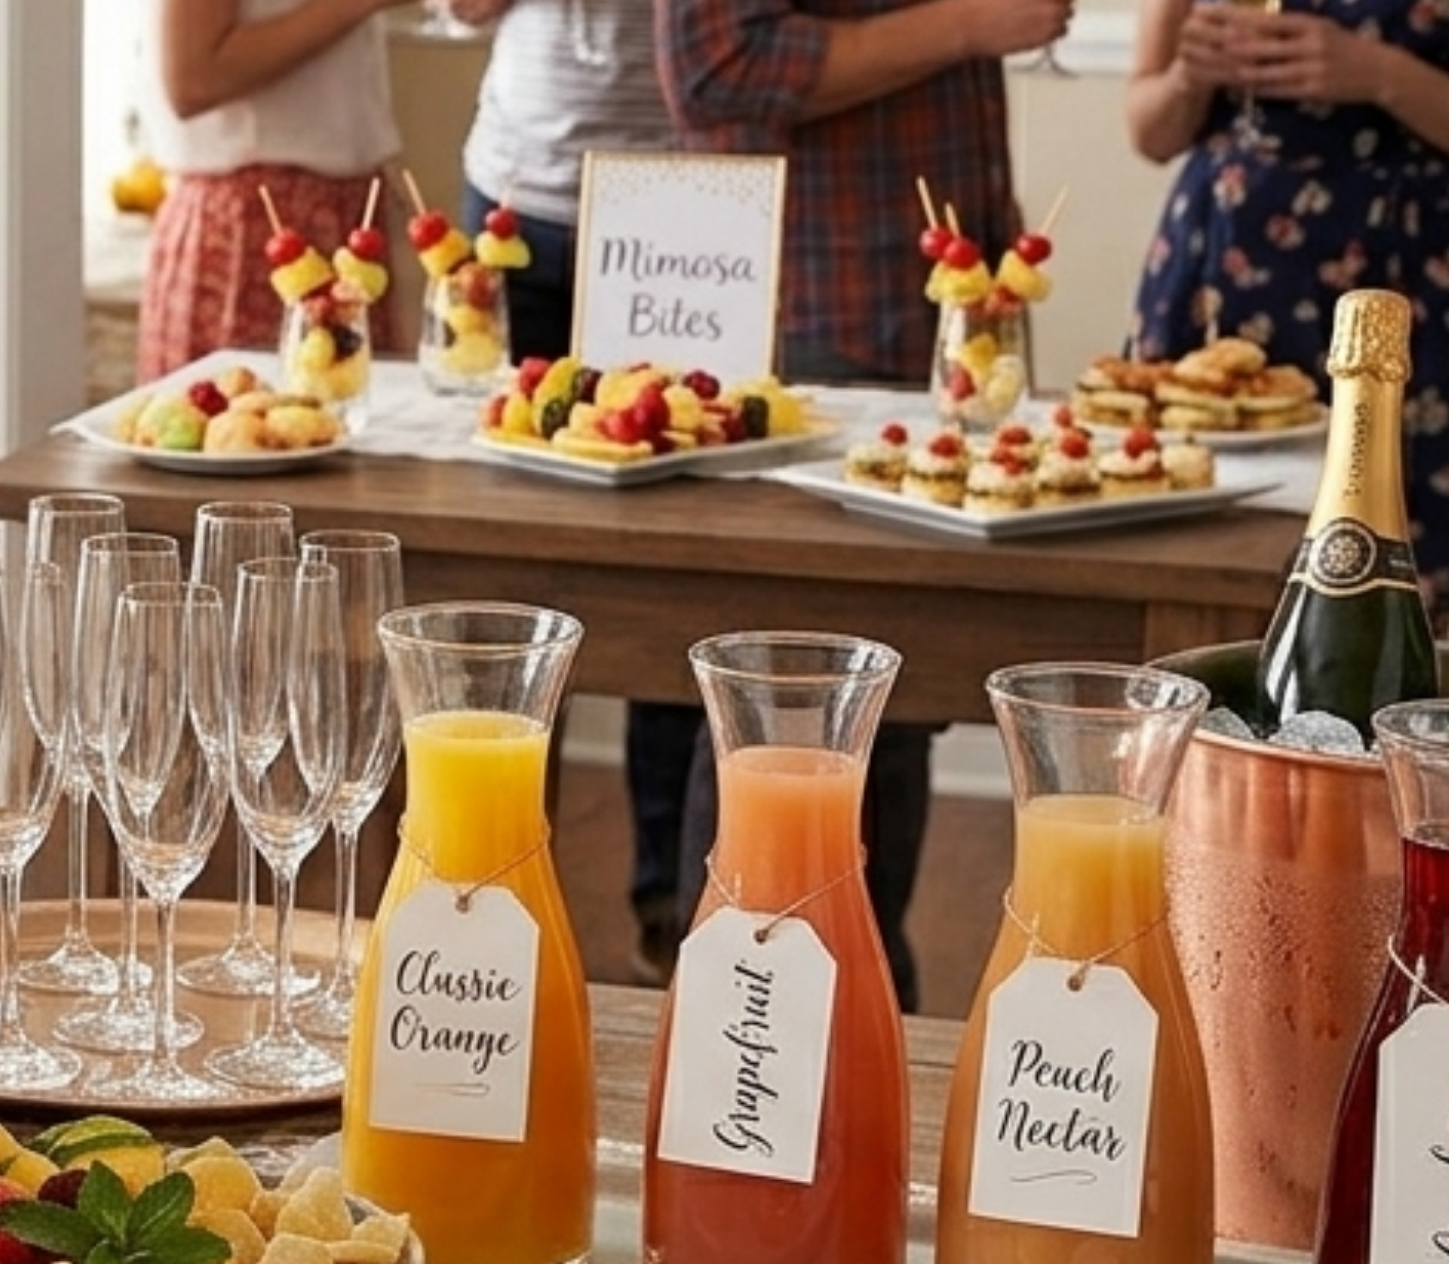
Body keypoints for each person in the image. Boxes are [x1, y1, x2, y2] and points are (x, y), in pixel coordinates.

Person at [653, 0, 1076, 1013]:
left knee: (886, 722)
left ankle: (853, 1038)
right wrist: (973, 23)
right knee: (787, 722)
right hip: (809, 327)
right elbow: (710, 68)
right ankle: (743, 1049)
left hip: (925, 324)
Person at [1125, 0, 1449, 628]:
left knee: (1390, 582)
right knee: (1195, 566)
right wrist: (1188, 78)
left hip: (1404, 278)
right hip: (1222, 274)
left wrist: (1381, 75)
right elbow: (1149, 132)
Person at [449, 0, 686, 986]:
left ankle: (667, 900)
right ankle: (488, 891)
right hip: (517, 194)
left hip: (682, 204)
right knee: (511, 567)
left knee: (675, 554)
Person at [135, 0, 406, 382]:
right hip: (252, 223)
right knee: (242, 425)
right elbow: (194, 78)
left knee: (352, 422)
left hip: (337, 214)